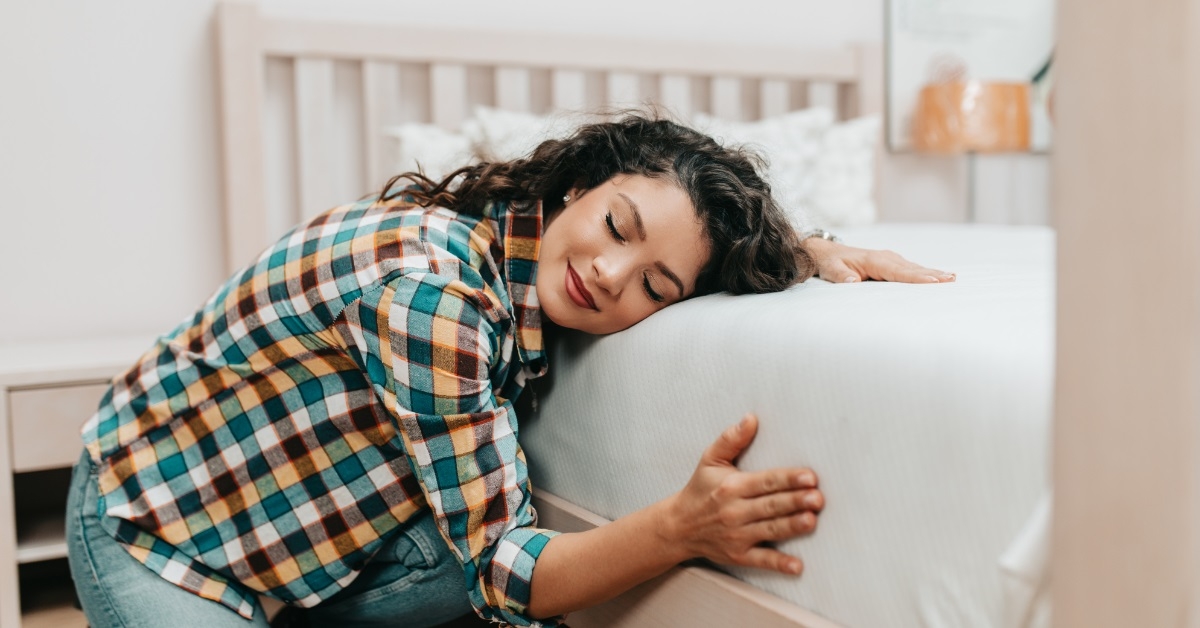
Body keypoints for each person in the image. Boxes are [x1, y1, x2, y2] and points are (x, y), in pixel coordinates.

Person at [67, 113, 955, 628]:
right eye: (616, 226)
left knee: (471, 539)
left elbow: (676, 239)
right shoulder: (437, 298)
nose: (609, 274)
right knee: (493, 563)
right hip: (161, 525)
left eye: (657, 286)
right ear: (578, 188)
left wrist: (800, 250)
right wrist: (679, 528)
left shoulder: (508, 235)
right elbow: (499, 570)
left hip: (312, 521)